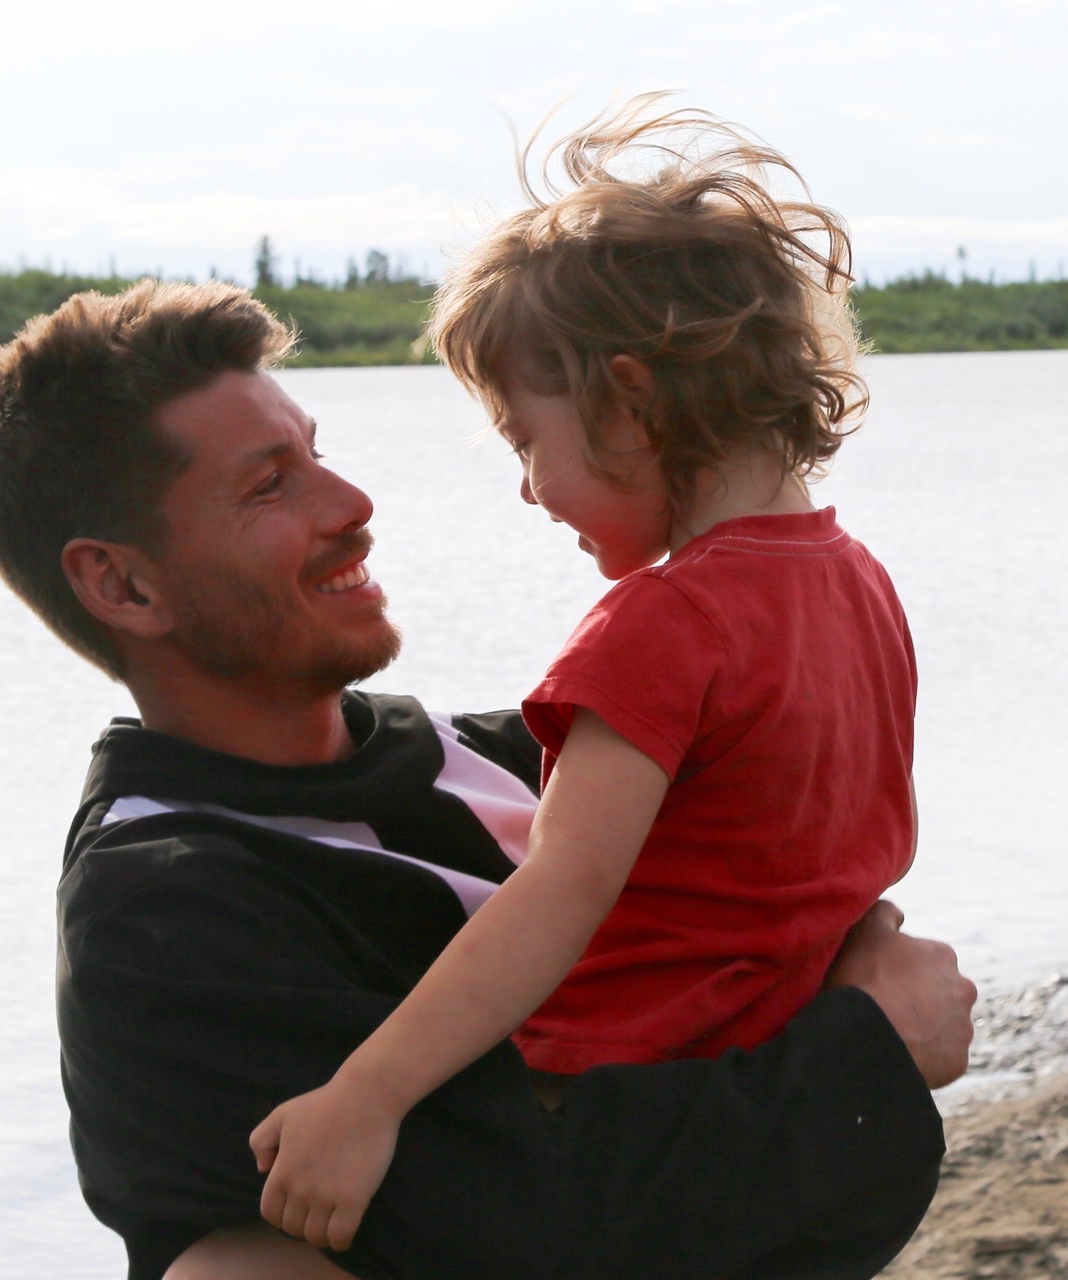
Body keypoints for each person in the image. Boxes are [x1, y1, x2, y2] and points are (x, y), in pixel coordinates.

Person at [0, 275, 975, 1280]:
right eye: (271, 483)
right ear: (124, 583)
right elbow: (526, 1223)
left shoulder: (500, 754)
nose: (354, 504)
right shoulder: (157, 918)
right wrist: (870, 1056)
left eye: (318, 453)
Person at [246, 94, 925, 1255]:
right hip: (813, 1124)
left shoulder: (663, 623)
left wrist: (367, 1095)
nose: (527, 486)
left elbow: (555, 898)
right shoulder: (857, 583)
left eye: (525, 438)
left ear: (631, 397)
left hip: (635, 1129)